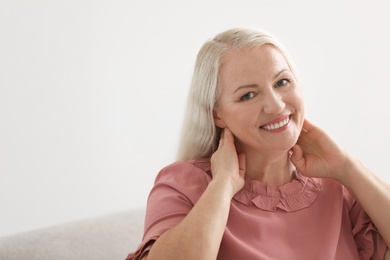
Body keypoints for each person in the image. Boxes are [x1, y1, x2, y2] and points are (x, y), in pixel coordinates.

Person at [126, 27, 390, 259]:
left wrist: (347, 166)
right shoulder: (184, 184)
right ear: (216, 114)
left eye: (282, 82)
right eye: (248, 95)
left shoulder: (336, 187)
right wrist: (222, 186)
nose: (276, 105)